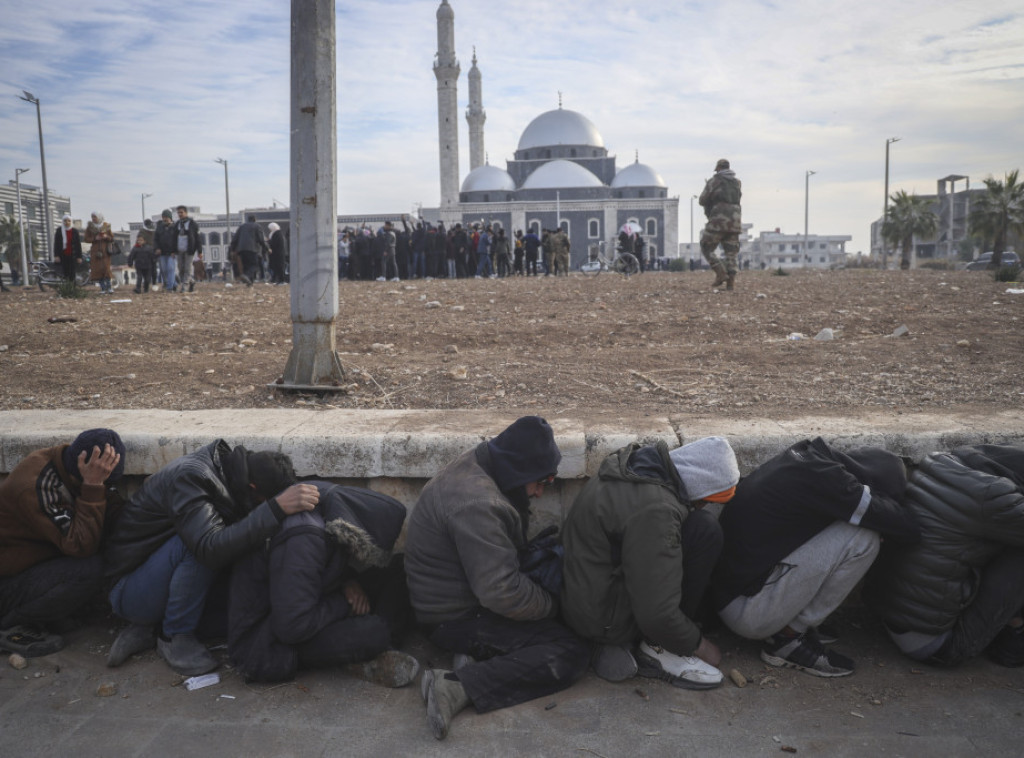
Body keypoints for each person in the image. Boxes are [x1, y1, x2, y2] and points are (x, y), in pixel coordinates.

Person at [404, 416, 589, 741]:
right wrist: (552, 605)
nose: (540, 492)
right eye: (540, 481)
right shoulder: (479, 504)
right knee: (568, 651)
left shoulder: (484, 464)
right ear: (519, 472)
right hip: (453, 617)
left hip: (462, 598)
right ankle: (455, 686)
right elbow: (501, 593)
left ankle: (479, 659)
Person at [104, 440, 319, 676]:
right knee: (200, 546)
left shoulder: (229, 472)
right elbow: (208, 548)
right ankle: (174, 636)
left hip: (159, 577)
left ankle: (151, 628)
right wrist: (274, 510)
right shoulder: (191, 478)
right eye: (263, 502)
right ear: (253, 487)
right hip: (128, 590)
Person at [711, 437, 920, 678]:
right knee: (864, 538)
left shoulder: (809, 459)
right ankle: (787, 639)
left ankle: (791, 622)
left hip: (731, 595)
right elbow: (908, 528)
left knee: (850, 523)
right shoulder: (835, 484)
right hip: (746, 611)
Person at [562, 437, 739, 689]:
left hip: (586, 595)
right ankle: (658, 648)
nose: (702, 506)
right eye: (707, 500)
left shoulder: (639, 469)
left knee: (702, 529)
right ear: (699, 485)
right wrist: (697, 645)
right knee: (705, 530)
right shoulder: (657, 510)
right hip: (601, 619)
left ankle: (640, 641)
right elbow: (656, 613)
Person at [228, 481, 419, 686]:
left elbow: (320, 570)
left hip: (307, 605)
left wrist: (348, 581)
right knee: (374, 632)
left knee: (400, 568)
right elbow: (292, 626)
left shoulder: (327, 513)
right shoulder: (305, 538)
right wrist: (345, 604)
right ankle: (377, 648)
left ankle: (379, 650)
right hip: (267, 644)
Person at [863, 444, 1024, 668]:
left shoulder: (942, 462)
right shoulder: (995, 498)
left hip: (893, 618)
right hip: (935, 644)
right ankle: (1012, 639)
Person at [0, 429, 125, 657]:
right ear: (82, 472)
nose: (106, 489)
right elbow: (80, 546)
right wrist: (93, 488)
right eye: (102, 482)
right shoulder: (36, 485)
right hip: (6, 583)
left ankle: (43, 615)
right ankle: (10, 625)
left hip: (33, 567)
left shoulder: (70, 467)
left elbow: (115, 516)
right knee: (89, 569)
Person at [698, 158, 742, 290]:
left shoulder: (714, 181)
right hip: (735, 220)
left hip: (718, 220)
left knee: (706, 246)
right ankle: (731, 283)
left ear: (718, 168)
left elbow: (702, 200)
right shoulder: (737, 182)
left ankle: (720, 273)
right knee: (731, 252)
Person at [230, 215, 269, 286]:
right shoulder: (257, 226)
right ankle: (246, 276)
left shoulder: (241, 227)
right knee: (254, 265)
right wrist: (267, 248)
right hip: (252, 249)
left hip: (241, 249)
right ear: (255, 219)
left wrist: (232, 249)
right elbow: (261, 239)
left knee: (246, 266)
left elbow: (235, 239)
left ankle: (249, 283)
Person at [174, 205, 202, 292]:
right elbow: (173, 238)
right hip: (179, 249)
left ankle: (184, 286)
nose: (180, 214)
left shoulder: (193, 224)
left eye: (181, 212)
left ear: (186, 213)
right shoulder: (177, 224)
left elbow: (198, 238)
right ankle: (191, 281)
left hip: (189, 249)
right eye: (178, 213)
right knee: (180, 268)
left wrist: (199, 251)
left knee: (187, 268)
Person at [84, 212, 114, 294]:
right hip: (95, 251)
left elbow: (111, 238)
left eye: (95, 217)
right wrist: (95, 238)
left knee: (106, 268)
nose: (93, 218)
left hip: (105, 251)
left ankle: (109, 287)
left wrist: (106, 237)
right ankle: (103, 288)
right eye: (92, 217)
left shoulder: (106, 226)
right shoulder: (90, 227)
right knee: (97, 269)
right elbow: (86, 238)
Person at [52, 214, 83, 283]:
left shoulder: (75, 231)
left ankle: (72, 290)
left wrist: (79, 257)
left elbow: (78, 245)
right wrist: (56, 255)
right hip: (63, 256)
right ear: (63, 222)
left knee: (72, 273)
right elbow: (56, 244)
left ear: (71, 222)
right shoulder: (59, 231)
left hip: (73, 256)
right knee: (65, 273)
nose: (67, 222)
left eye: (69, 221)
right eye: (65, 221)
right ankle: (66, 289)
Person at [153, 209, 178, 292]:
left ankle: (169, 287)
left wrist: (175, 251)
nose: (165, 219)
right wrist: (157, 248)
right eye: (163, 217)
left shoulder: (175, 227)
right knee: (164, 270)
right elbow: (155, 239)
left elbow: (177, 240)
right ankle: (174, 284)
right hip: (162, 253)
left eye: (166, 217)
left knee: (170, 268)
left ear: (170, 218)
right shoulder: (160, 228)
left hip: (172, 253)